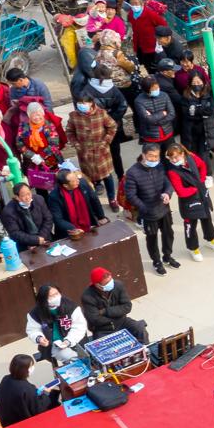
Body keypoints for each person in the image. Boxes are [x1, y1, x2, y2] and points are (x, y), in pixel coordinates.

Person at [122, 142, 177, 275]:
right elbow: (130, 195)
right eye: (151, 156)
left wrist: (167, 193)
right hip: (148, 213)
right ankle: (156, 261)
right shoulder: (132, 173)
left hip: (163, 209)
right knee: (152, 239)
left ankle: (167, 256)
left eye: (156, 157)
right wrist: (144, 208)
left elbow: (167, 183)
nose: (154, 159)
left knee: (168, 234)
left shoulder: (160, 166)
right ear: (143, 155)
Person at [25, 285, 88, 369]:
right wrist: (39, 338)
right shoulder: (35, 313)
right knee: (68, 356)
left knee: (84, 355)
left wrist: (69, 341)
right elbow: (33, 330)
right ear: (43, 299)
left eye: (57, 294)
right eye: (51, 296)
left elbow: (79, 326)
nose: (56, 297)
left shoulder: (70, 306)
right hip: (52, 343)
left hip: (74, 339)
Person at [80, 267, 147, 345]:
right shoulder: (87, 296)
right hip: (103, 329)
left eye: (110, 280)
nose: (111, 284)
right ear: (97, 285)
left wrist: (105, 311)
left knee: (140, 328)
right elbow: (94, 319)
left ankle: (145, 350)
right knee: (101, 347)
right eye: (106, 283)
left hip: (122, 321)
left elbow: (127, 306)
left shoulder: (118, 285)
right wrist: (117, 314)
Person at [0, 353, 59, 427]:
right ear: (25, 370)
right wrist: (46, 393)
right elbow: (38, 409)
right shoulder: (26, 389)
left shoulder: (6, 379)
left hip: (7, 420)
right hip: (22, 423)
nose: (33, 367)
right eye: (31, 366)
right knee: (53, 397)